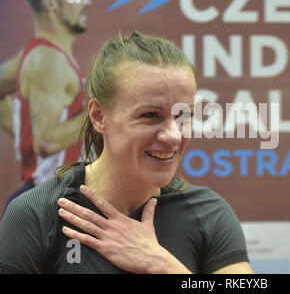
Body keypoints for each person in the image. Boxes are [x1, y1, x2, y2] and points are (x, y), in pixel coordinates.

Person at [0, 32, 254, 274]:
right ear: (99, 116)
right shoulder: (36, 214)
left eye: (184, 116)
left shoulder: (209, 213)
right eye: (150, 115)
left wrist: (162, 264)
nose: (173, 135)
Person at [0, 0, 91, 208]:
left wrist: (24, 135)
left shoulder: (39, 54)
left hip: (49, 199)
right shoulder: (49, 60)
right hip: (51, 204)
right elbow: (48, 143)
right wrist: (96, 112)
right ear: (50, 4)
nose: (86, 1)